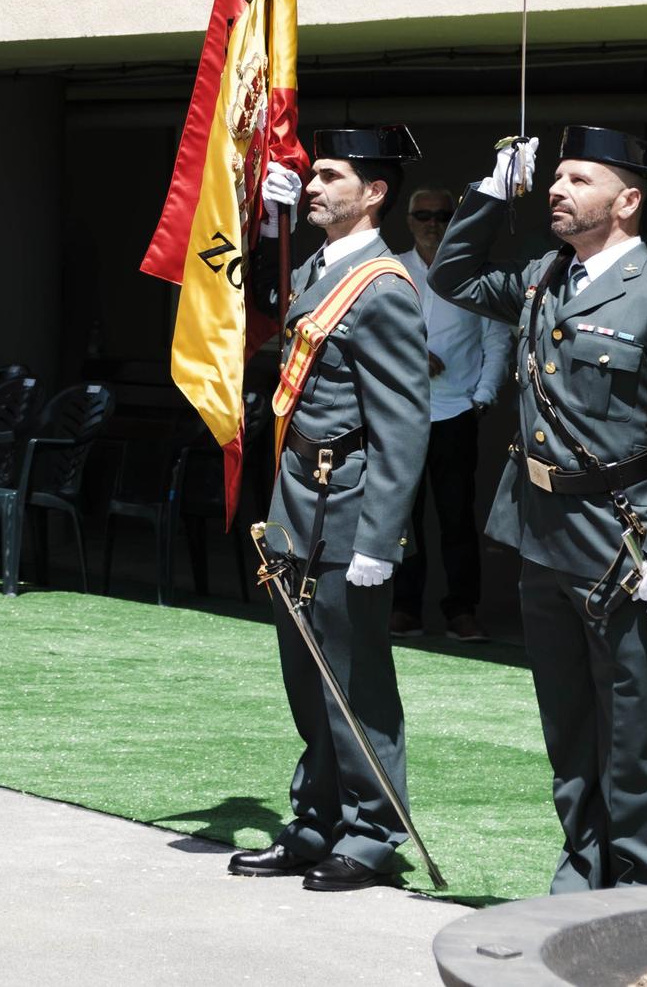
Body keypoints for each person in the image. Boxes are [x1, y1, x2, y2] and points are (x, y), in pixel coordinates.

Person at [429, 127, 647, 893]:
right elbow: (452, 276)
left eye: (578, 179)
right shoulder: (541, 277)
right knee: (566, 719)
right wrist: (493, 189)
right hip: (541, 529)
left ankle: (637, 881)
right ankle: (583, 862)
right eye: (554, 177)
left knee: (634, 726)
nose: (558, 189)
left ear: (627, 200)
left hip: (619, 541)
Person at [228, 127, 430, 894]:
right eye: (311, 175)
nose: (312, 185)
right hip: (297, 504)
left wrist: (381, 538)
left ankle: (374, 830)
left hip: (348, 507)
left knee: (355, 679)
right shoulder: (317, 266)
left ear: (375, 192)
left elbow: (403, 424)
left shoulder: (380, 288)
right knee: (306, 675)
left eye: (330, 175)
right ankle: (316, 818)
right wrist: (268, 227)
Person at [392, 186, 509, 641]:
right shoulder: (390, 270)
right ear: (409, 219)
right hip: (399, 412)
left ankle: (462, 610)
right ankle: (404, 607)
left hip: (457, 411)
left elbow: (496, 337)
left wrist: (484, 395)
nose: (433, 223)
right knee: (402, 518)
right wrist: (411, 354)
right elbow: (369, 334)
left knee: (457, 518)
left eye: (442, 215)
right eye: (423, 215)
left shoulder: (471, 273)